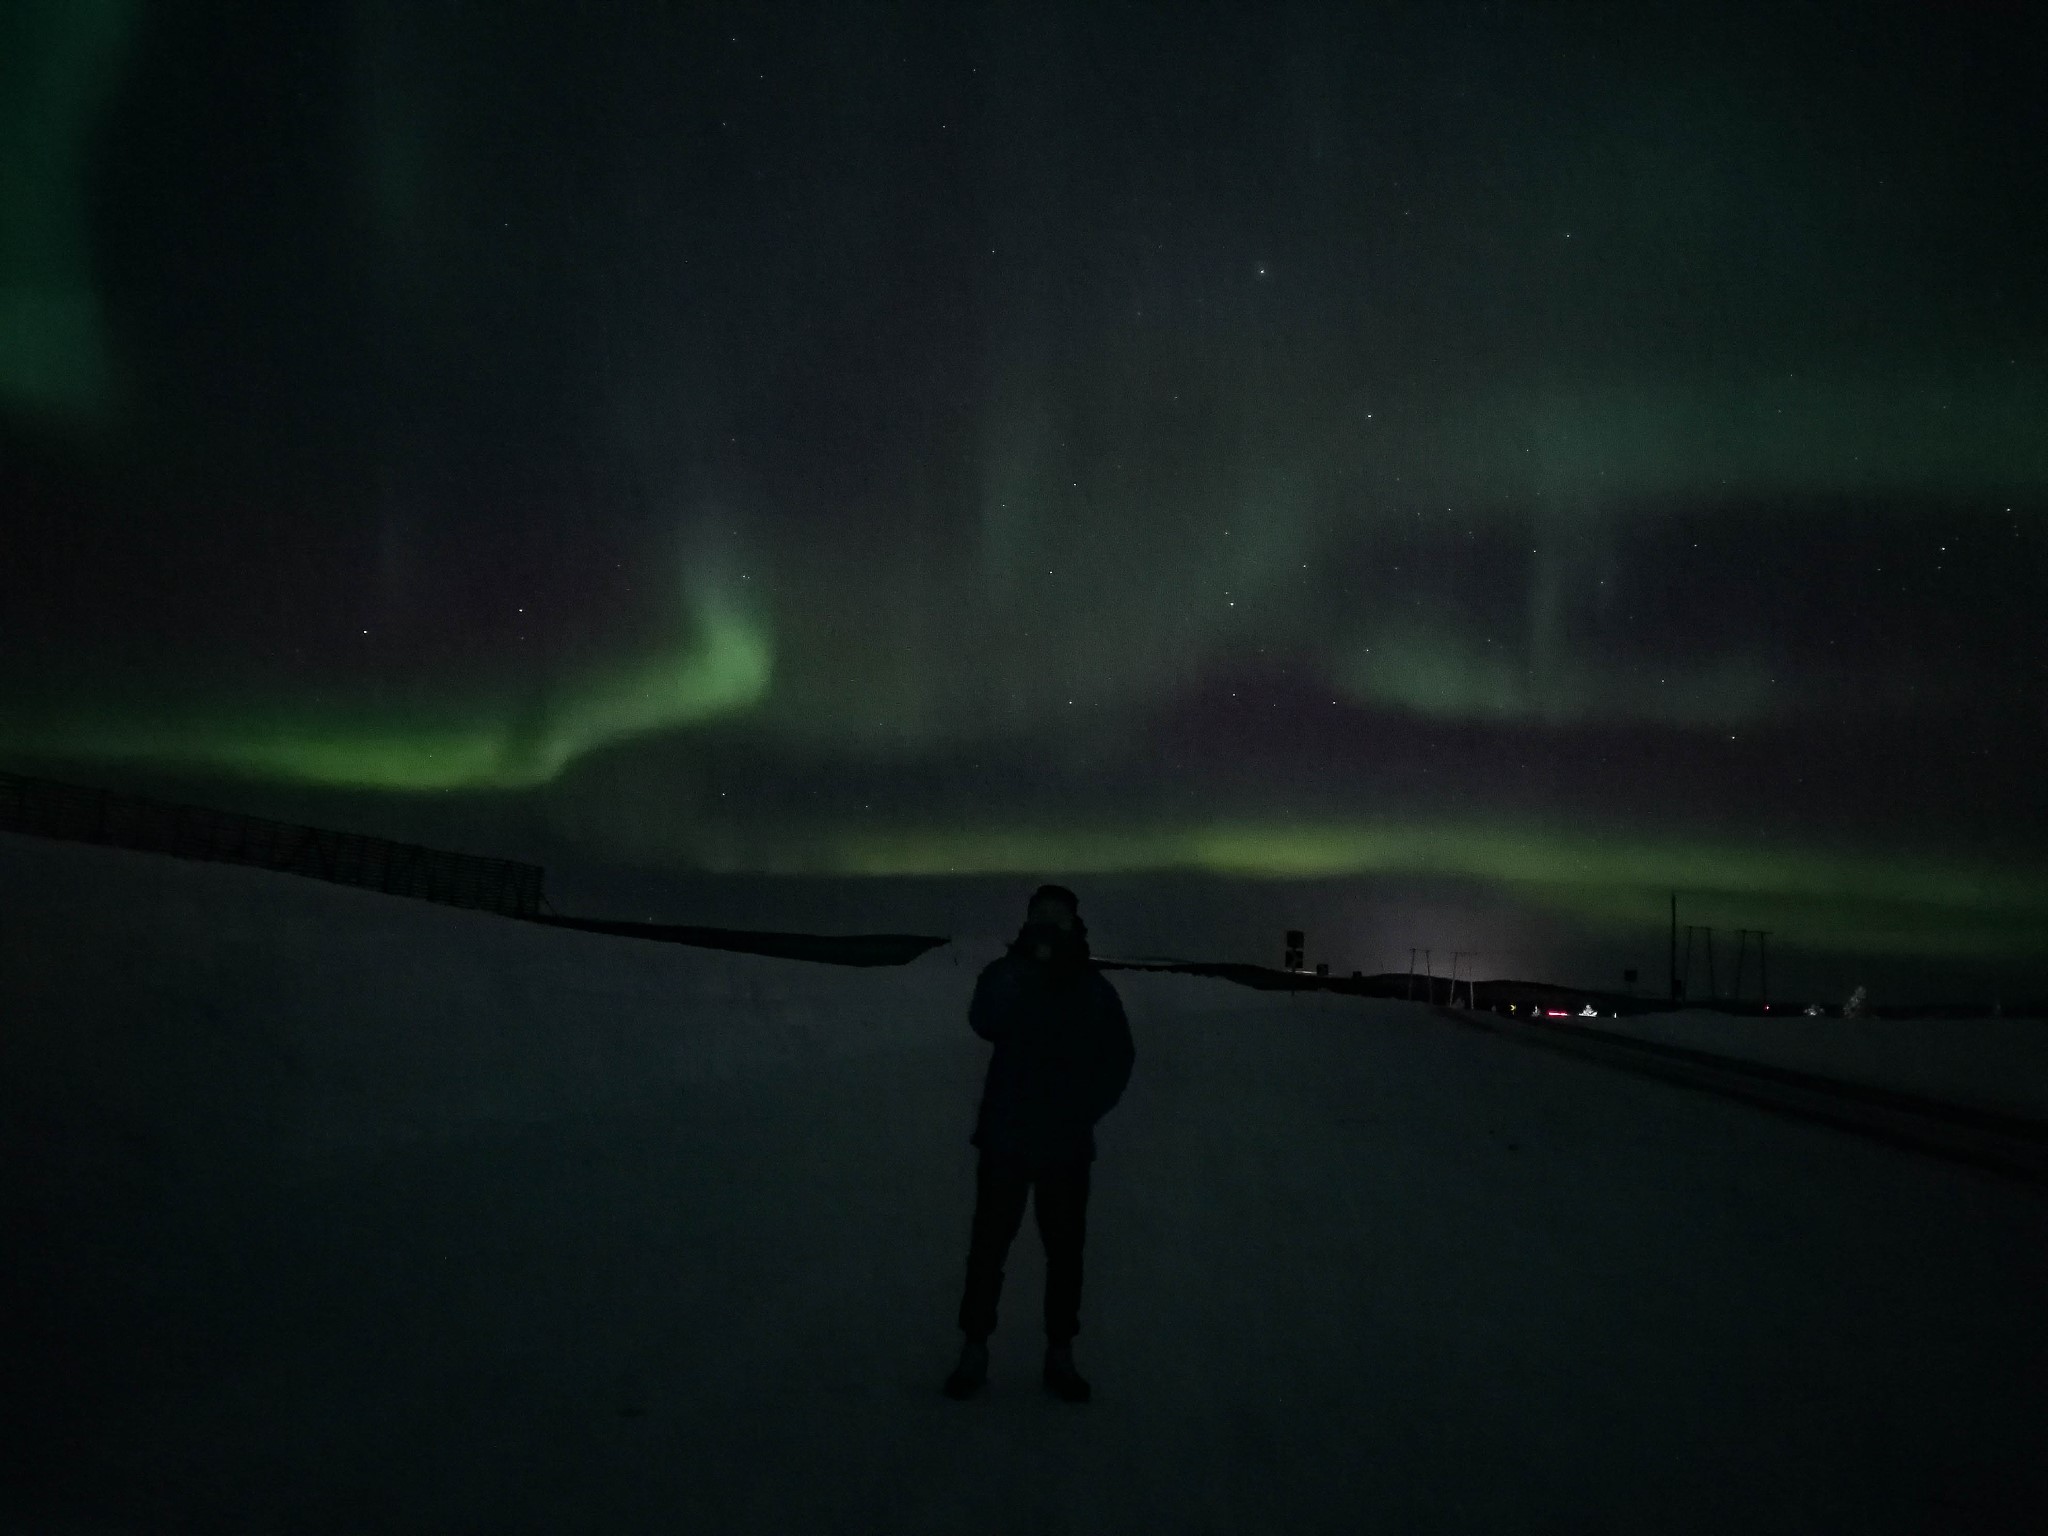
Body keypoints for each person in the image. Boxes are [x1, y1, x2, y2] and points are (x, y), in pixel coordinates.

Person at [943, 884, 1135, 1403]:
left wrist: (1083, 1110)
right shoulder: (1009, 973)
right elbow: (984, 1019)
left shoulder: (1092, 988)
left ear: (1075, 924)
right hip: (1006, 1139)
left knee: (1064, 1254)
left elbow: (1118, 1057)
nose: (1049, 924)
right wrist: (1022, 966)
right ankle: (974, 1348)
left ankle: (1060, 1353)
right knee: (988, 1250)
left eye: (1059, 917)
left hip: (1065, 1148)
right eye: (1040, 916)